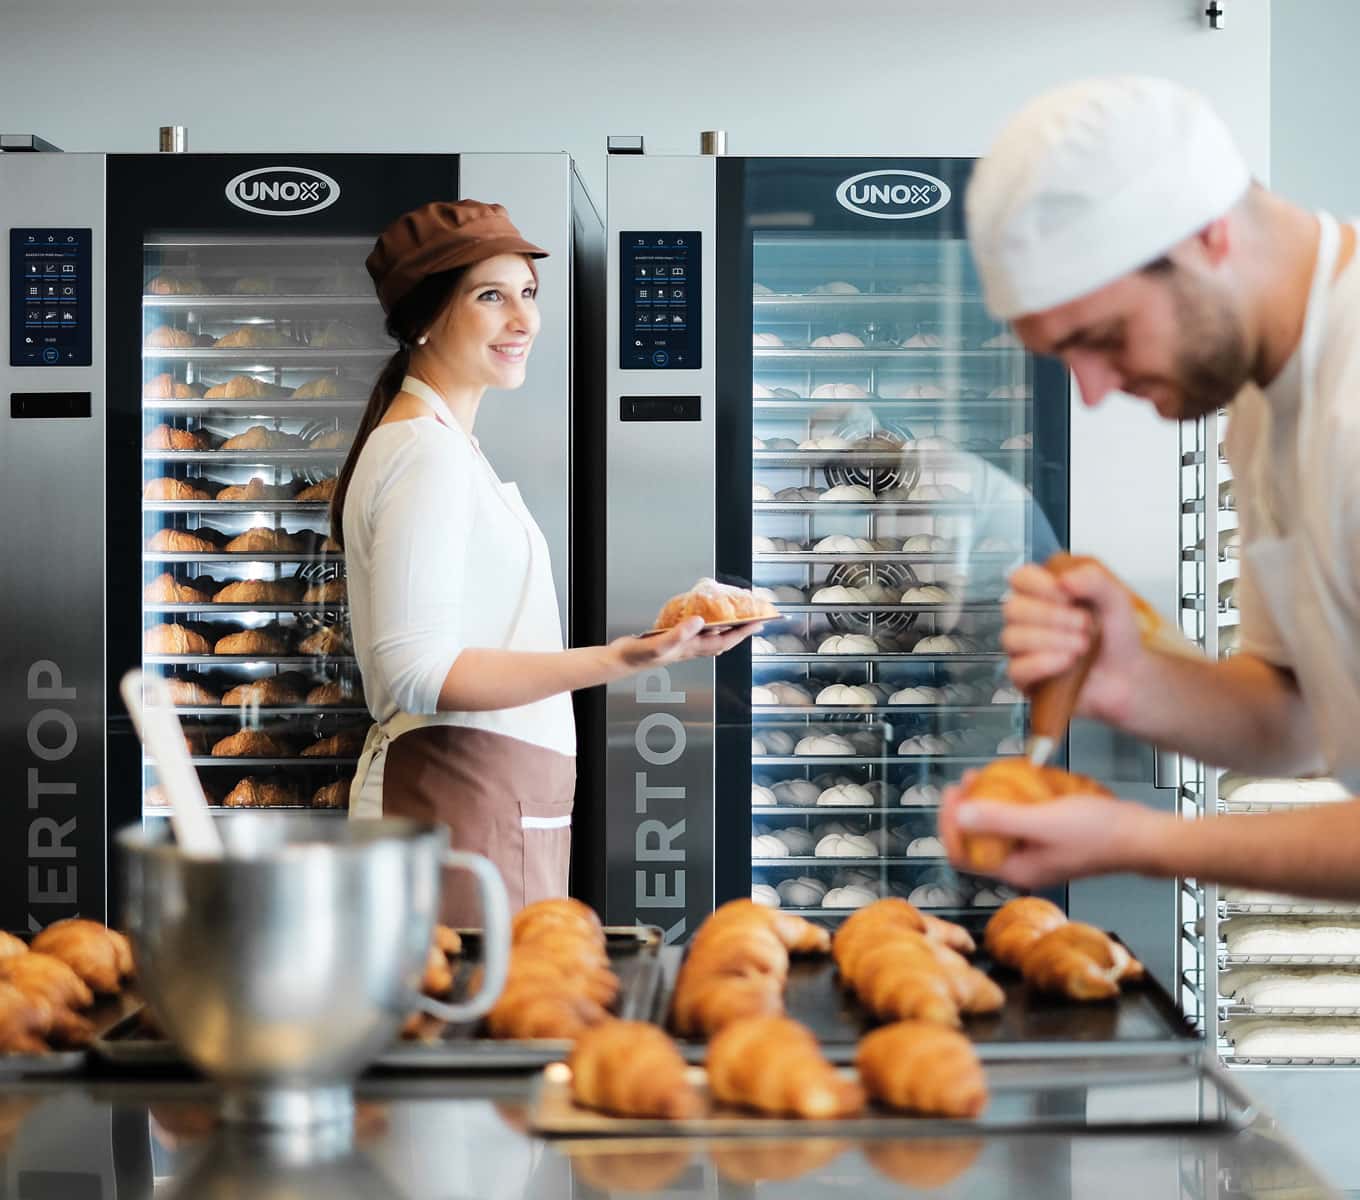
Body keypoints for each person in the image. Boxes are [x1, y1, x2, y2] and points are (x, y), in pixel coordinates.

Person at [939, 76, 1360, 900]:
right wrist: (1136, 682)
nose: (1091, 390)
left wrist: (1140, 839)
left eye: (1102, 337)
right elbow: (1303, 720)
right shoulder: (1262, 402)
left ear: (1207, 236)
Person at [335, 200, 756, 923]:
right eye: (490, 296)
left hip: (486, 802)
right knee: (470, 1030)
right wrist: (625, 659)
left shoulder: (445, 447)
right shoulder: (423, 453)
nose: (524, 321)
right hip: (454, 804)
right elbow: (419, 671)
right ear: (423, 318)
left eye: (528, 294)